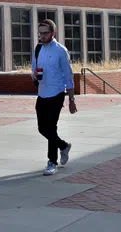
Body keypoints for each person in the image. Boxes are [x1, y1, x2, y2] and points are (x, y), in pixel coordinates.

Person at [32, 19, 77, 176]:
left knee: (51, 128)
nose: (42, 36)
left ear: (53, 33)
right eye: (40, 33)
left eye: (45, 33)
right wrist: (34, 75)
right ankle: (63, 146)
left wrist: (71, 100)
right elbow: (33, 70)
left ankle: (52, 162)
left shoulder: (60, 51)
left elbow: (68, 76)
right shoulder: (38, 49)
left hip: (57, 94)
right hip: (42, 93)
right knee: (41, 128)